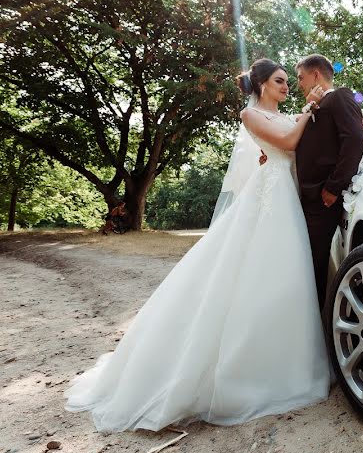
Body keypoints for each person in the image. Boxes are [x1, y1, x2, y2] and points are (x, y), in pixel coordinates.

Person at [64, 58, 330, 432]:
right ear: (261, 84)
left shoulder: (280, 114)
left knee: (283, 279)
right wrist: (309, 110)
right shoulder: (249, 114)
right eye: (280, 80)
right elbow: (287, 141)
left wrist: (305, 115)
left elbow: (288, 145)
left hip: (285, 195)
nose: (287, 86)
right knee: (263, 273)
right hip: (271, 197)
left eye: (289, 81)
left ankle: (283, 359)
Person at [291, 54, 363, 309]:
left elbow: (354, 141)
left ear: (315, 75)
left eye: (301, 78)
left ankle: (315, 327)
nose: (298, 84)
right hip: (308, 198)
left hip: (323, 199)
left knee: (314, 266)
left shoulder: (342, 96)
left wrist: (334, 186)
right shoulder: (319, 104)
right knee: (308, 265)